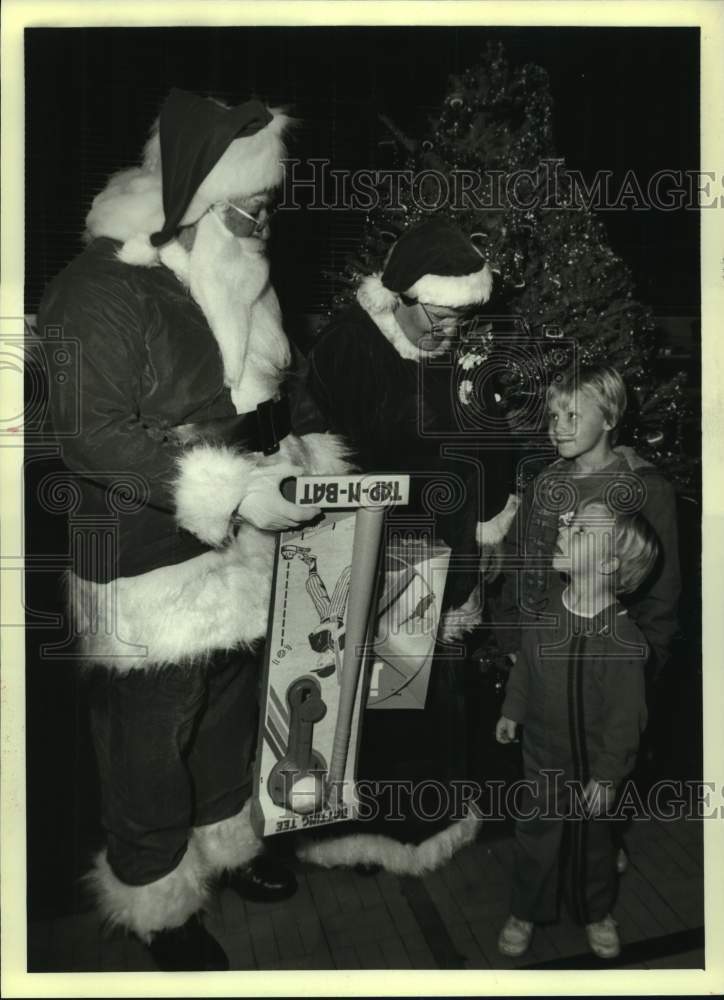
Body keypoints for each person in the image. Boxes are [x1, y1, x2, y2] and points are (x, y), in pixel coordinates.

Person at [36, 88, 350, 971]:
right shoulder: (95, 291)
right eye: (253, 207)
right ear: (200, 201)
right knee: (147, 742)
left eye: (268, 206)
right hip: (139, 561)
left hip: (229, 549)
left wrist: (291, 458)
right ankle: (158, 902)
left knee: (222, 712)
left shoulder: (209, 268)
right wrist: (235, 493)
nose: (265, 226)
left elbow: (250, 402)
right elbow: (89, 436)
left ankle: (225, 846)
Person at [303, 217, 519, 869]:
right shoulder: (351, 346)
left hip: (438, 545)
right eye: (438, 315)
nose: (450, 328)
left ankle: (424, 825)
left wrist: (488, 517)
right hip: (378, 551)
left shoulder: (446, 347)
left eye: (459, 316)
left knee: (429, 695)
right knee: (381, 695)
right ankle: (369, 834)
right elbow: (343, 453)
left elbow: (481, 438)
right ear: (399, 295)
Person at [495, 500, 659, 959]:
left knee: (595, 844)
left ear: (608, 565)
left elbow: (627, 723)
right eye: (572, 521)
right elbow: (527, 666)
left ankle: (596, 910)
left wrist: (608, 776)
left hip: (593, 769)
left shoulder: (625, 642)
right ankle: (525, 908)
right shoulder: (548, 610)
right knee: (535, 835)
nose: (566, 526)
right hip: (543, 756)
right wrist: (513, 709)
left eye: (582, 529)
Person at [497, 363, 680, 679]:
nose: (558, 427)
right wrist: (512, 641)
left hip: (607, 662)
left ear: (609, 419)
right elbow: (516, 559)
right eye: (554, 416)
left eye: (572, 416)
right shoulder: (544, 484)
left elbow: (663, 589)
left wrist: (649, 663)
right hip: (540, 652)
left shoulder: (647, 488)